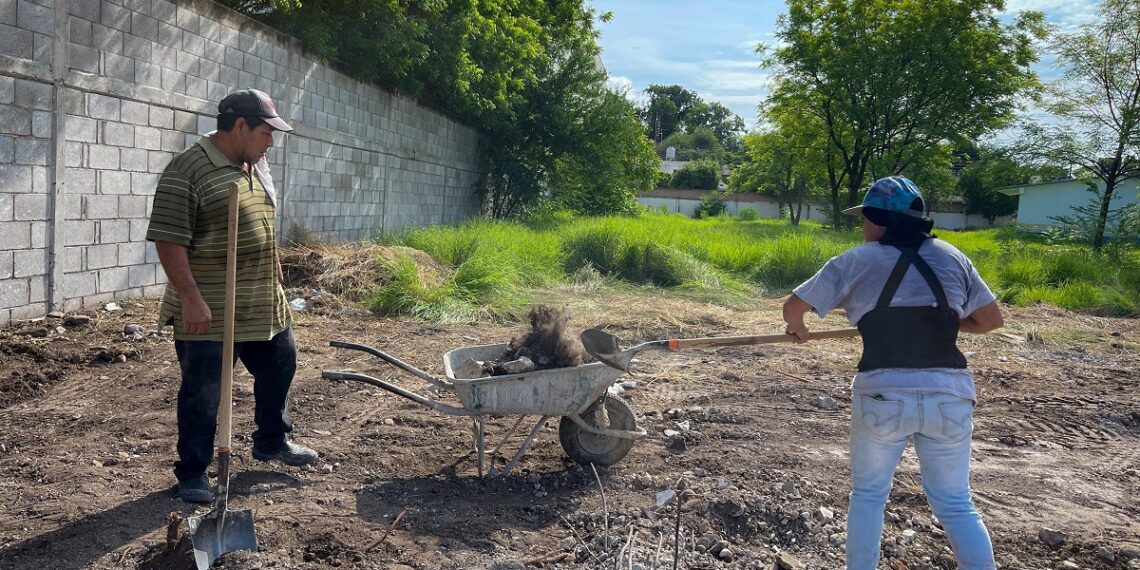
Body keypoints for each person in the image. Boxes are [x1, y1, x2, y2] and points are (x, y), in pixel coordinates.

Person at [782, 176, 1004, 570]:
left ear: (880, 221)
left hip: (882, 394)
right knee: (955, 502)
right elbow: (990, 320)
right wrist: (948, 322)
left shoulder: (857, 260)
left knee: (869, 495)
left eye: (865, 219)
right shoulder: (954, 257)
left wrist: (799, 331)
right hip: (949, 395)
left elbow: (793, 307)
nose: (862, 227)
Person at [147, 88, 318, 504]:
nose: (271, 142)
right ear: (240, 126)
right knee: (203, 392)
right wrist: (190, 297)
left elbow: (259, 218)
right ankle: (192, 472)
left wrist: (273, 260)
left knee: (281, 364)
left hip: (262, 304)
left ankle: (272, 441)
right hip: (211, 310)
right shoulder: (188, 169)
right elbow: (169, 240)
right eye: (265, 133)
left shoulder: (252, 166)